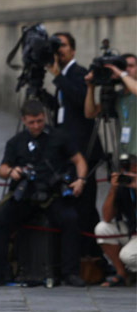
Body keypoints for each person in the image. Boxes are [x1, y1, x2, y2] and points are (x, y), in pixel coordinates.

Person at [0, 100, 87, 288]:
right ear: (24, 120)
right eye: (32, 122)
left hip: (52, 194)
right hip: (26, 196)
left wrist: (80, 180)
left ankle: (70, 272)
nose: (36, 125)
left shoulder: (59, 137)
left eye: (39, 121)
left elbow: (79, 160)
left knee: (70, 219)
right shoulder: (16, 142)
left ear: (44, 117)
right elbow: (2, 169)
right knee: (1, 220)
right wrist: (11, 171)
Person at [45, 32, 103, 258]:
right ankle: (80, 253)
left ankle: (92, 255)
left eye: (64, 45)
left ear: (73, 50)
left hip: (83, 149)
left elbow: (80, 102)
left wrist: (58, 76)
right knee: (72, 204)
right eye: (56, 45)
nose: (60, 49)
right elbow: (63, 109)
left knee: (85, 205)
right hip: (66, 149)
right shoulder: (63, 77)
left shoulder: (79, 73)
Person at [94, 155, 136, 287]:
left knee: (128, 256)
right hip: (132, 230)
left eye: (135, 173)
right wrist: (113, 189)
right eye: (128, 173)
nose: (130, 176)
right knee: (102, 228)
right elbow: (106, 217)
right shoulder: (124, 187)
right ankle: (121, 273)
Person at [85, 53, 137, 158]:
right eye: (123, 67)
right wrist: (91, 87)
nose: (126, 70)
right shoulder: (118, 96)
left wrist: (121, 73)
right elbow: (90, 113)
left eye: (131, 66)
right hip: (125, 157)